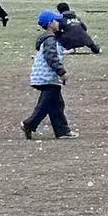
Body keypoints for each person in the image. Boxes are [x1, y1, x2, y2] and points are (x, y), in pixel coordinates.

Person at [22, 10, 72, 139]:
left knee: (56, 104)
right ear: (50, 24)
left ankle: (63, 131)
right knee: (45, 105)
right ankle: (29, 123)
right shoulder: (50, 40)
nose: (58, 22)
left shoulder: (50, 39)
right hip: (47, 77)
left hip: (45, 77)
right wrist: (62, 72)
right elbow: (52, 58)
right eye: (56, 20)